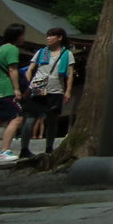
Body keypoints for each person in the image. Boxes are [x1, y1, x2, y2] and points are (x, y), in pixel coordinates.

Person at [20, 27, 75, 158]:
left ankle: (49, 147)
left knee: (52, 120)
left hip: (55, 89)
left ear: (59, 38)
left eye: (51, 36)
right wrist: (27, 86)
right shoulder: (41, 52)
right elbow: (30, 69)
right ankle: (24, 149)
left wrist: (68, 91)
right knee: (30, 119)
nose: (48, 38)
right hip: (37, 87)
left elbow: (70, 74)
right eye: (48, 36)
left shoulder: (67, 54)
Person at [0, 24, 27, 162]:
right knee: (17, 118)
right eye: (22, 35)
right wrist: (16, 88)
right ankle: (5, 150)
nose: (24, 38)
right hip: (6, 89)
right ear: (17, 36)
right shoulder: (12, 49)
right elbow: (12, 69)